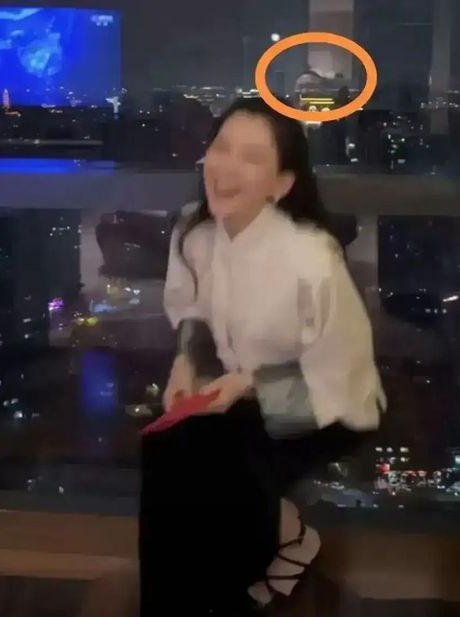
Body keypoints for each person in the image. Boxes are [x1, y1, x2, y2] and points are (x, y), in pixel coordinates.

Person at [139, 97, 386, 617]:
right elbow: (192, 310)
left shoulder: (311, 257)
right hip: (244, 389)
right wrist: (185, 362)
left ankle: (240, 583)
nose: (227, 167)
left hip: (329, 401)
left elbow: (344, 372)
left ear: (282, 183)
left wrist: (248, 384)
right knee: (166, 448)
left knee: (229, 462)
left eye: (252, 158)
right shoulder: (194, 232)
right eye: (222, 148)